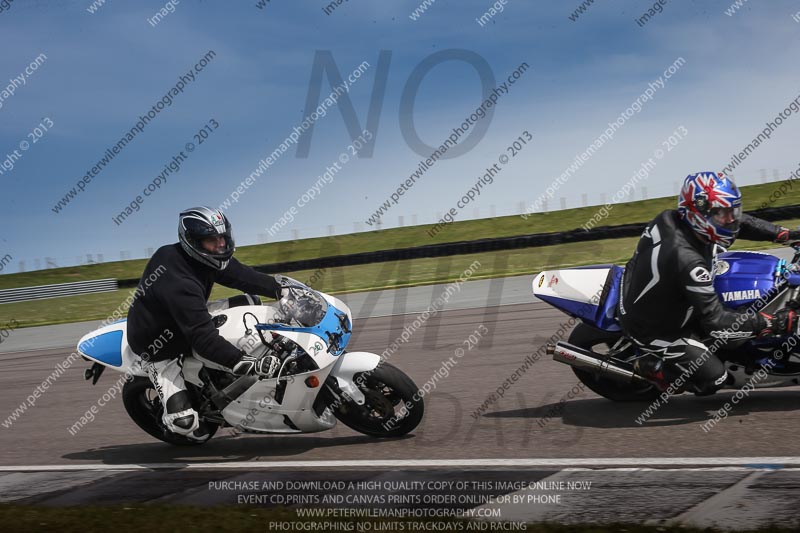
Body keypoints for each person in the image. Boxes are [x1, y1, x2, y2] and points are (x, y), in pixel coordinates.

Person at [618, 171, 800, 395]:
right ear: (698, 214)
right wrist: (770, 323)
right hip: (656, 328)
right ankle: (652, 368)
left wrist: (785, 234)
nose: (730, 219)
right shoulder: (688, 260)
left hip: (655, 290)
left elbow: (739, 222)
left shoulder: (672, 217)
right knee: (714, 379)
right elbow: (716, 321)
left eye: (731, 210)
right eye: (721, 213)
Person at [127, 206, 286, 441]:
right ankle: (174, 405)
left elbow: (244, 276)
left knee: (251, 301)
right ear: (193, 242)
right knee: (186, 425)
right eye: (213, 240)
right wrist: (243, 362)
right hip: (158, 343)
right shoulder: (178, 281)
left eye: (223, 237)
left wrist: (283, 289)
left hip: (186, 315)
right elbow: (202, 338)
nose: (221, 245)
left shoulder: (206, 258)